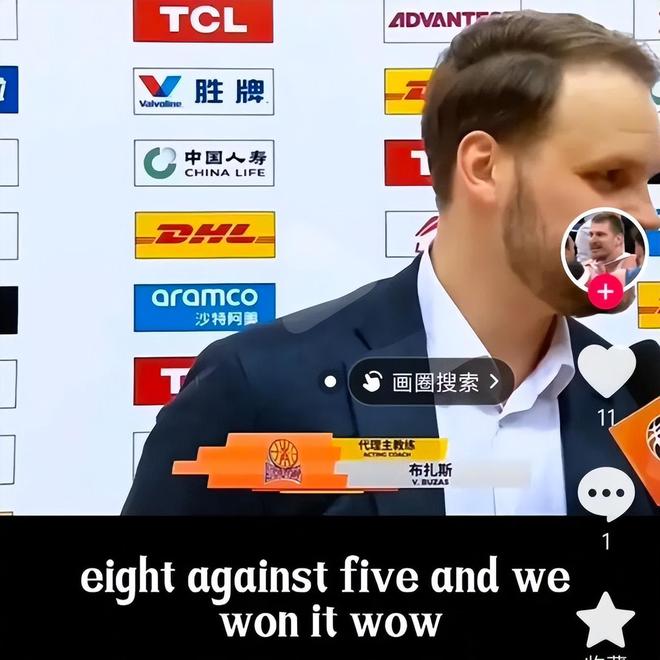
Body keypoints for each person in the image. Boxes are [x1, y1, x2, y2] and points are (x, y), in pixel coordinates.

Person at [123, 10, 660, 516]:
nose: (647, 215)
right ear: (484, 167)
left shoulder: (640, 398)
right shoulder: (259, 388)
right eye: (609, 176)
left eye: (649, 182)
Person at [578, 212, 638, 285]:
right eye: (591, 235)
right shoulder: (584, 270)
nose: (592, 240)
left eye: (600, 234)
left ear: (618, 239)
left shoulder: (636, 263)